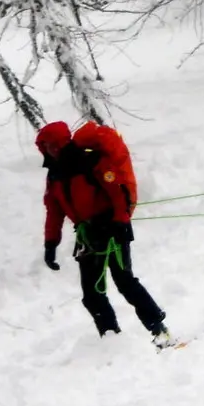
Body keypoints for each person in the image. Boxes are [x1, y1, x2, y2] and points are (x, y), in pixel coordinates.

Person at [36, 120, 170, 343]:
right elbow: (54, 210)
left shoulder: (92, 160)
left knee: (125, 282)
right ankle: (111, 340)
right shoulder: (54, 176)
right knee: (92, 295)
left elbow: (116, 191)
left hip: (112, 228)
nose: (48, 150)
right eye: (45, 146)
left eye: (50, 145)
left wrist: (121, 222)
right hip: (87, 236)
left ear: (60, 144)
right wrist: (51, 243)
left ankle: (159, 328)